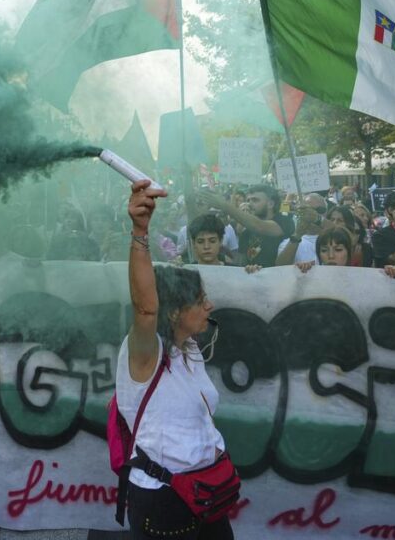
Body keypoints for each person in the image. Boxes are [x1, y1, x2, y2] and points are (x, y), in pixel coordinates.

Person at [120, 179, 233, 539]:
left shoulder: (191, 350)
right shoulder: (145, 355)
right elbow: (145, 305)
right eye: (200, 300)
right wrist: (141, 231)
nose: (210, 305)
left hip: (207, 494)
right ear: (172, 313)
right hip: (165, 503)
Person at [199, 184, 293, 270]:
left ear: (270, 204)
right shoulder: (246, 232)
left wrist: (224, 205)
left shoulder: (284, 220)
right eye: (248, 200)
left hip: (278, 283)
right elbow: (241, 263)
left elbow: (259, 226)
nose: (250, 204)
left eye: (255, 200)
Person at [276, 193, 326, 266]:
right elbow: (281, 267)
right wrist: (296, 236)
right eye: (307, 210)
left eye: (319, 210)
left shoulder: (335, 236)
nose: (312, 213)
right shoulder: (288, 243)